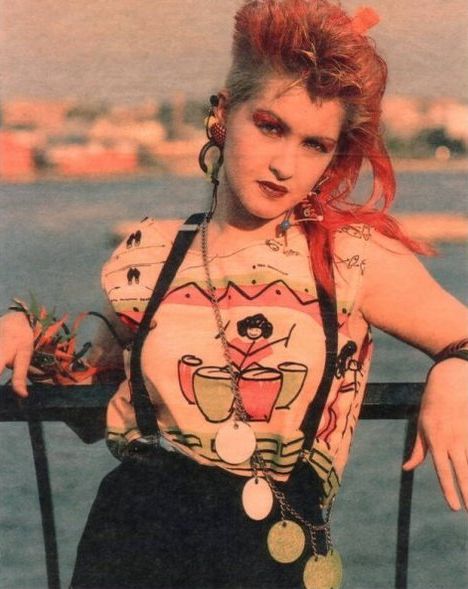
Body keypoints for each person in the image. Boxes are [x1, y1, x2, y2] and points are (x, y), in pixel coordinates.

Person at [1, 1, 467, 588]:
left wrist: (454, 373)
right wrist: (25, 328)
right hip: (127, 546)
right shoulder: (149, 253)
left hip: (271, 553)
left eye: (314, 144)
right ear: (224, 113)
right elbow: (93, 398)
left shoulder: (349, 257)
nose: (284, 164)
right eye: (270, 126)